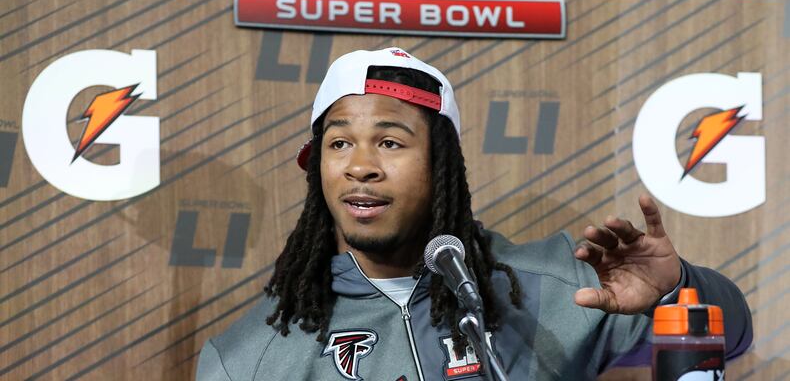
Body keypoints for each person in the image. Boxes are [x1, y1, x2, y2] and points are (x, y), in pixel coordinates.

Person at [196, 48, 752, 381]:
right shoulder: (246, 358)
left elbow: (734, 335)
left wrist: (679, 288)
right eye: (339, 144)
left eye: (389, 142)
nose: (359, 167)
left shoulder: (557, 285)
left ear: (441, 166)